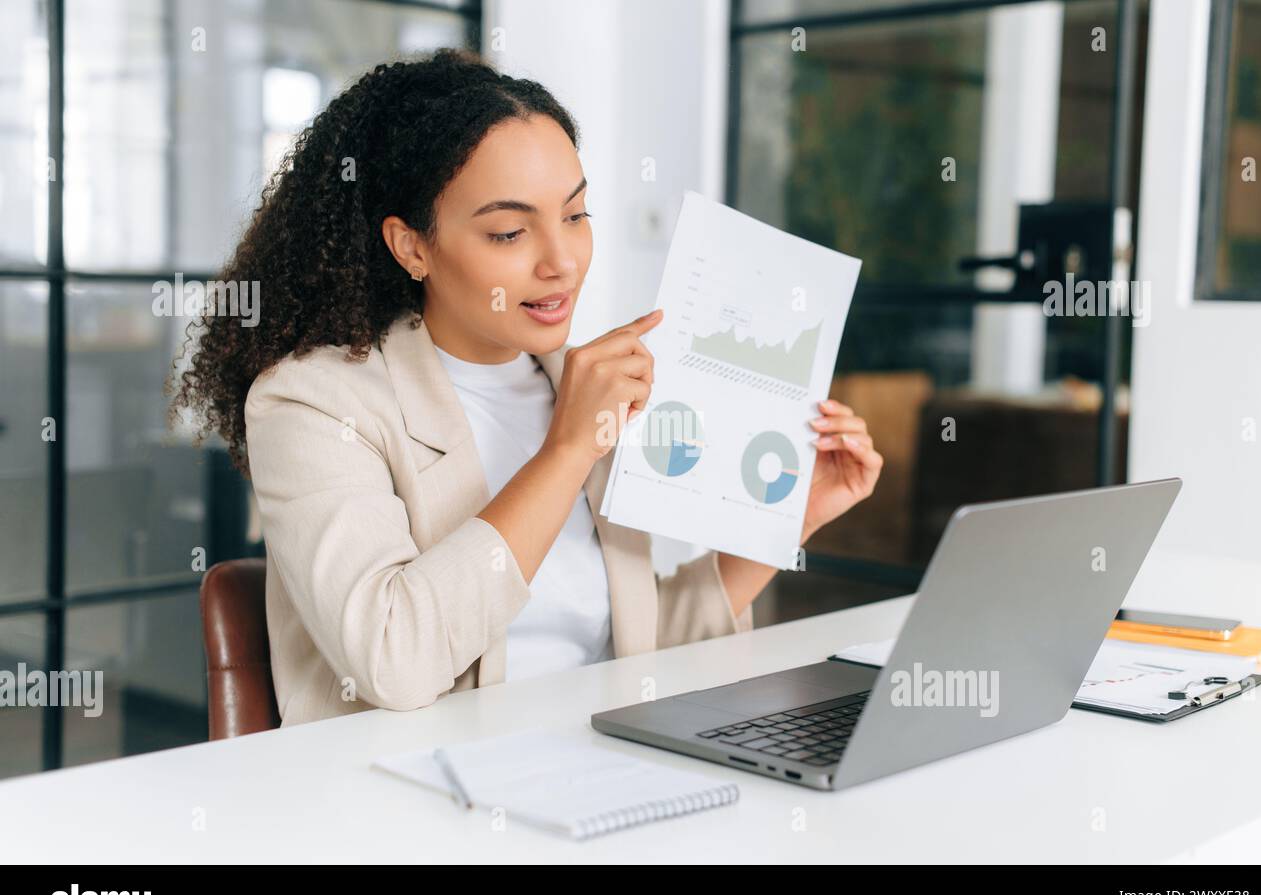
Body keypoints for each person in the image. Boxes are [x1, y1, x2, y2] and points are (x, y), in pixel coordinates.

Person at [169, 49, 883, 726]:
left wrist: (785, 523)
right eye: (510, 233)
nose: (562, 261)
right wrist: (566, 450)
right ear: (411, 245)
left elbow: (634, 646)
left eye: (575, 215)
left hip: (600, 771)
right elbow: (395, 659)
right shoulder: (312, 402)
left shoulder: (573, 382)